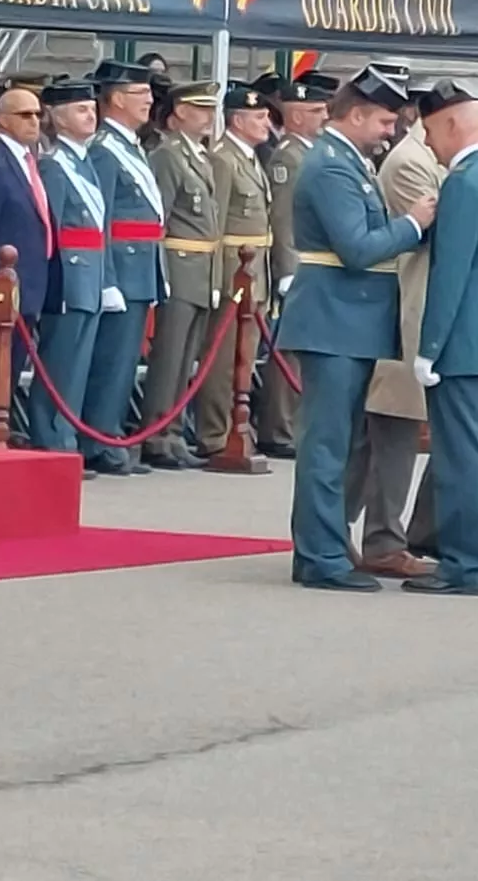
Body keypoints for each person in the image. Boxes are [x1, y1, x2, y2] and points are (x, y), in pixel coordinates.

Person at [280, 66, 435, 593]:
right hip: (332, 320)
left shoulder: (347, 161)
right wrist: (413, 223)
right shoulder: (330, 168)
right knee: (326, 445)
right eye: (385, 121)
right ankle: (321, 556)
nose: (390, 131)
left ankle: (325, 548)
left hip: (345, 321)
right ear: (356, 114)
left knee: (338, 443)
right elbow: (357, 248)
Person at [403, 82, 478, 596]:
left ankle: (465, 563)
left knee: (459, 458)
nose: (427, 142)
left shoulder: (465, 184)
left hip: (460, 343)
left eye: (429, 129)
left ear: (452, 124)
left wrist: (429, 348)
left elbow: (449, 275)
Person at [347, 86, 450, 579]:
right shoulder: (410, 163)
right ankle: (381, 538)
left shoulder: (426, 160)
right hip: (406, 308)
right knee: (391, 429)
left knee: (382, 434)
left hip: (416, 311)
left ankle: (348, 530)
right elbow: (440, 228)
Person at [80, 60, 163, 477]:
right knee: (111, 361)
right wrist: (107, 278)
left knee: (124, 361)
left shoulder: (129, 145)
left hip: (141, 267)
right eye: (139, 93)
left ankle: (108, 434)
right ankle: (99, 438)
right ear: (114, 99)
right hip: (121, 270)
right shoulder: (105, 150)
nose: (149, 99)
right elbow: (104, 218)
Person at [0, 87, 60, 446]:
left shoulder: (27, 159)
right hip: (3, 287)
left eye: (37, 114)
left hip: (30, 282)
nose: (35, 121)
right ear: (2, 119)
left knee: (12, 365)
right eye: (25, 115)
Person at [142, 81, 222, 471]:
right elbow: (160, 220)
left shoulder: (199, 156)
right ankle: (156, 433)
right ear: (178, 113)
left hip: (201, 269)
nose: (209, 116)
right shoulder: (168, 156)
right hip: (178, 264)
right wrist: (161, 274)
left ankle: (172, 430)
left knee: (187, 357)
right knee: (169, 357)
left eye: (211, 109)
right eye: (200, 108)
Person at [34, 79, 112, 464]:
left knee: (78, 367)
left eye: (92, 108)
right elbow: (53, 229)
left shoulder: (83, 161)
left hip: (91, 274)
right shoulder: (54, 164)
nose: (91, 115)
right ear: (60, 119)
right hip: (69, 275)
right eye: (81, 110)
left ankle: (67, 436)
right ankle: (51, 438)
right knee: (60, 364)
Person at [196, 85, 275, 459]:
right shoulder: (223, 159)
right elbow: (215, 224)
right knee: (223, 361)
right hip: (232, 274)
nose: (266, 124)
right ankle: (215, 433)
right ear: (237, 120)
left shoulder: (250, 158)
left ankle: (237, 427)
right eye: (258, 117)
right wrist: (216, 280)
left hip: (254, 272)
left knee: (245, 357)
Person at [260, 75, 334, 459]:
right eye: (316, 111)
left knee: (301, 349)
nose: (324, 117)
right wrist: (287, 270)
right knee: (286, 352)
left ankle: (291, 425)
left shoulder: (311, 153)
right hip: (297, 265)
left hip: (312, 264)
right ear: (296, 116)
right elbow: (283, 218)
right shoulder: (289, 156)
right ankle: (279, 427)